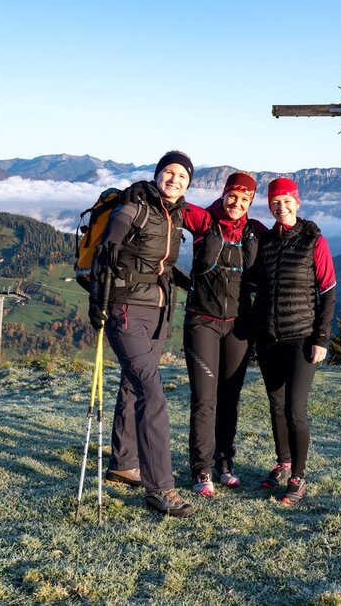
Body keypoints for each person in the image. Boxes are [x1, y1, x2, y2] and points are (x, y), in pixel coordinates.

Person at [88, 150, 195, 517]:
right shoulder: (134, 207)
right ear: (158, 173)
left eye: (183, 177)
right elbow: (105, 252)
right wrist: (97, 304)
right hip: (126, 310)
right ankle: (160, 489)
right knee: (152, 393)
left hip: (158, 312)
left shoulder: (175, 214)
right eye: (170, 172)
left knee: (134, 386)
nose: (175, 179)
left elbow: (159, 263)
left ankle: (123, 462)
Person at [179, 171, 269, 496]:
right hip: (202, 322)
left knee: (230, 398)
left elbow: (286, 242)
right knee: (205, 400)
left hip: (239, 327)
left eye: (245, 199)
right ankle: (201, 470)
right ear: (224, 193)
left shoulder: (254, 231)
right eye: (233, 195)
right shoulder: (205, 221)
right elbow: (174, 205)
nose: (237, 203)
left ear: (251, 203)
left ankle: (224, 462)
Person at [252, 177, 336, 506]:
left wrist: (321, 338)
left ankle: (298, 476)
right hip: (269, 337)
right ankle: (283, 463)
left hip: (302, 338)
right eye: (275, 201)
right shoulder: (265, 241)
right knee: (275, 405)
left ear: (297, 203)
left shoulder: (314, 240)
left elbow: (328, 291)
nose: (281, 206)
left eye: (287, 201)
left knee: (294, 409)